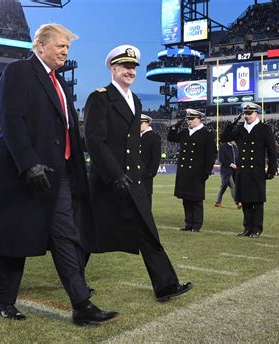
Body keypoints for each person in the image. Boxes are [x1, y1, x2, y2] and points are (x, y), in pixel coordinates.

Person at [0, 23, 116, 325]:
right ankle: (3, 302)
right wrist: (28, 162)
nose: (65, 51)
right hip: (25, 174)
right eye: (60, 45)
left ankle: (81, 305)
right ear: (41, 45)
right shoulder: (20, 71)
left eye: (67, 48)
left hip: (58, 175)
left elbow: (67, 132)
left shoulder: (59, 83)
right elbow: (11, 119)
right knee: (15, 239)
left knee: (66, 237)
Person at [84, 45, 192, 303]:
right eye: (125, 66)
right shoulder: (99, 98)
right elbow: (94, 141)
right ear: (113, 68)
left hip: (133, 180)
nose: (130, 71)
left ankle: (166, 285)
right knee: (88, 233)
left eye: (133, 67)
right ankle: (76, 283)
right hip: (106, 180)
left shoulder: (137, 101)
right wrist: (114, 174)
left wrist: (137, 174)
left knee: (147, 230)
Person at [221, 102, 277, 238]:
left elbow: (271, 151)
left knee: (257, 201)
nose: (247, 116)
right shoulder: (240, 128)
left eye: (250, 113)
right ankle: (247, 228)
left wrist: (271, 170)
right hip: (243, 170)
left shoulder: (264, 129)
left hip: (257, 170)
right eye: (245, 113)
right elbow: (224, 138)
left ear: (256, 113)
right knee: (245, 200)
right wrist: (233, 123)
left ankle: (256, 228)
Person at [167, 109, 217, 232]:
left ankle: (196, 224)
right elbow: (171, 137)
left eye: (192, 119)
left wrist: (206, 171)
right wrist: (177, 125)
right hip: (184, 171)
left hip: (197, 172)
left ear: (199, 119)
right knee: (186, 199)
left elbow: (211, 154)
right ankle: (188, 223)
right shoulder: (185, 132)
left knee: (196, 200)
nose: (189, 121)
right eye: (188, 119)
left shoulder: (206, 134)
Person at [139, 114, 161, 209]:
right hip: (135, 173)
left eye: (140, 123)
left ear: (146, 123)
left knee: (146, 200)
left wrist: (151, 173)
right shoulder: (136, 137)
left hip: (146, 174)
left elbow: (156, 157)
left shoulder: (154, 137)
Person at [214, 140, 241, 209]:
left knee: (224, 186)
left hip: (234, 171)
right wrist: (230, 164)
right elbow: (221, 159)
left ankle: (217, 202)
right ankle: (238, 203)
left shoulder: (235, 147)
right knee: (232, 185)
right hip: (226, 171)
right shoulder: (223, 147)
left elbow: (237, 158)